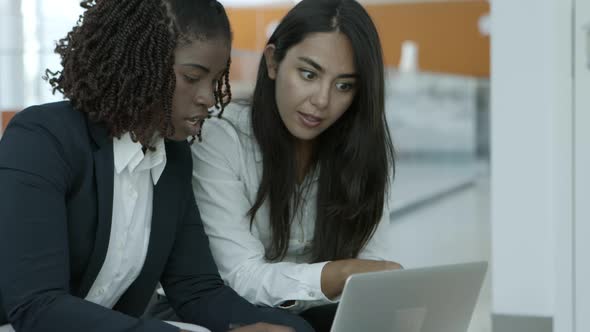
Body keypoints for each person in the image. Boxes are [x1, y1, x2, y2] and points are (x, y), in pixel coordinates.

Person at [0, 1, 314, 332]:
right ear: (137, 64)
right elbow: (37, 306)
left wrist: (291, 328)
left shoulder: (173, 158)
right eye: (192, 77)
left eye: (217, 79)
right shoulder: (42, 139)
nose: (209, 97)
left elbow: (197, 291)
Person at [189, 0, 402, 330]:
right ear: (273, 62)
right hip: (224, 305)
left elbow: (371, 271)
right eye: (308, 74)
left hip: (309, 307)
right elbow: (241, 276)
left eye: (344, 85)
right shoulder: (222, 137)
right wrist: (339, 274)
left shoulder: (364, 154)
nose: (322, 100)